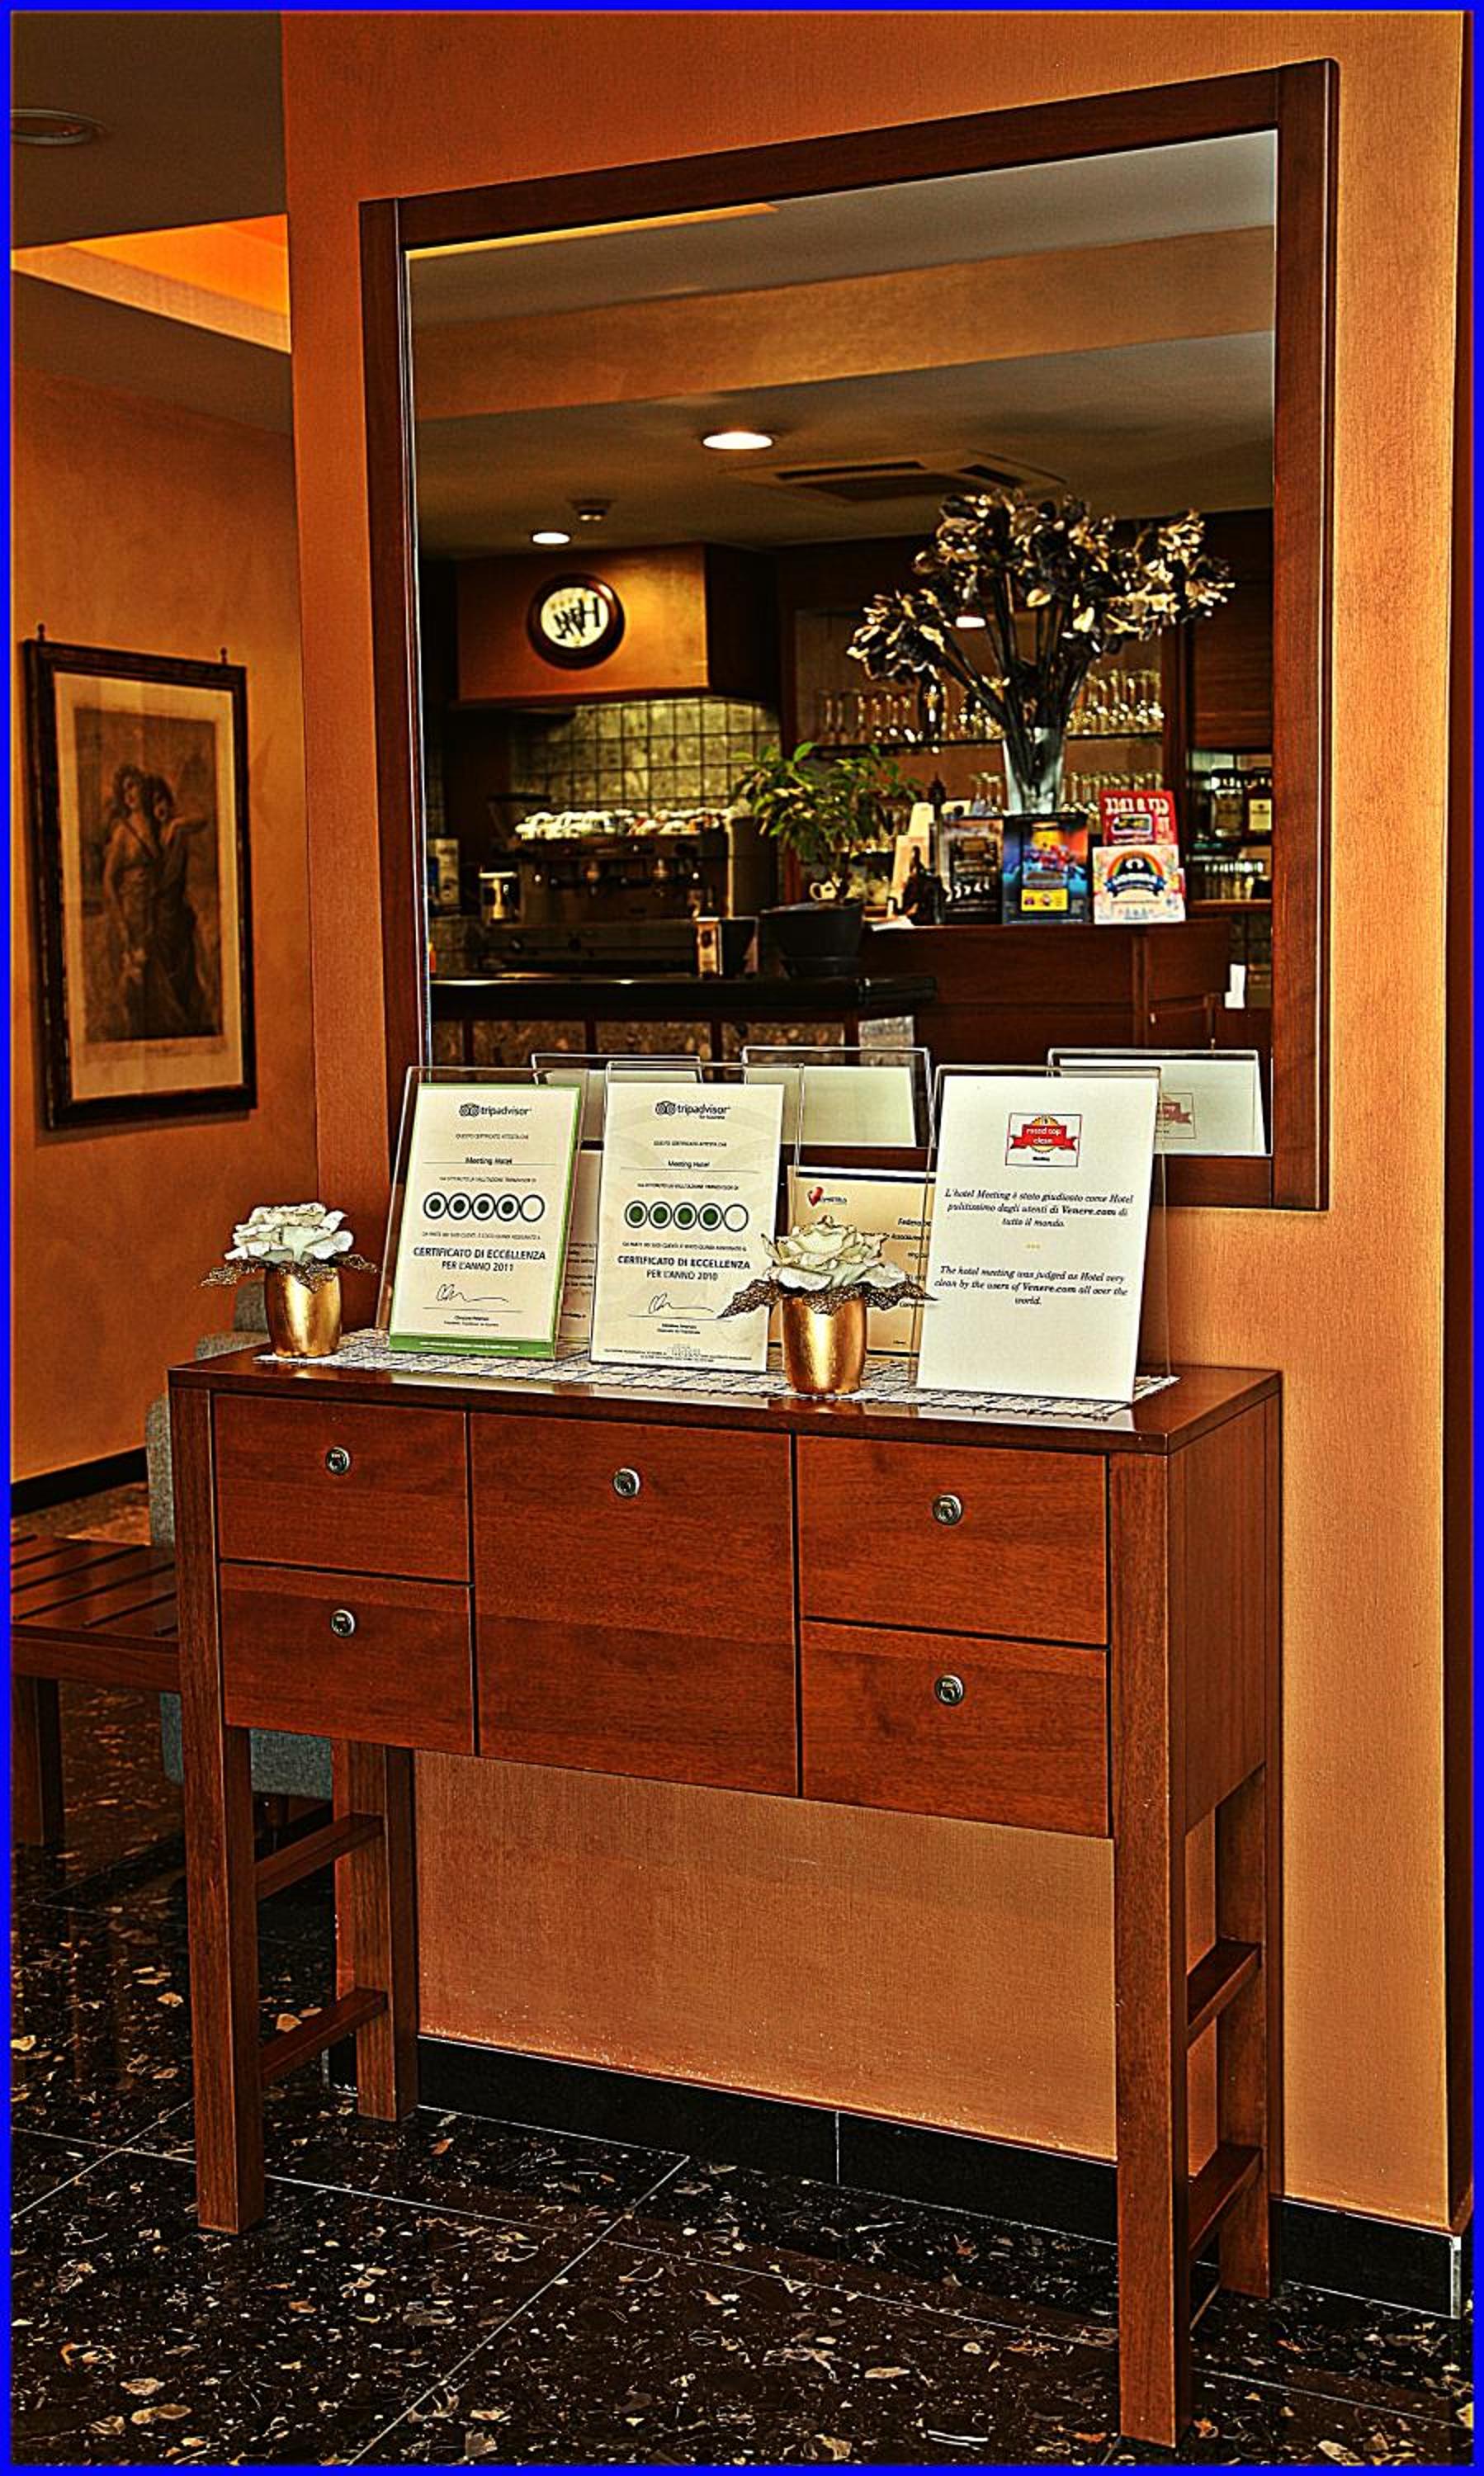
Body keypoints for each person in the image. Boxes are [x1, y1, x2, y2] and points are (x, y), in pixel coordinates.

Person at [145, 775, 215, 1034]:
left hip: (177, 909)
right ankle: (170, 1021)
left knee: (184, 965)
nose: (160, 808)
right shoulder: (151, 836)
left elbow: (204, 819)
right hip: (160, 911)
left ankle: (189, 1019)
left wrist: (177, 824)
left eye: (162, 801)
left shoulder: (178, 831)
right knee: (163, 966)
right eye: (154, 805)